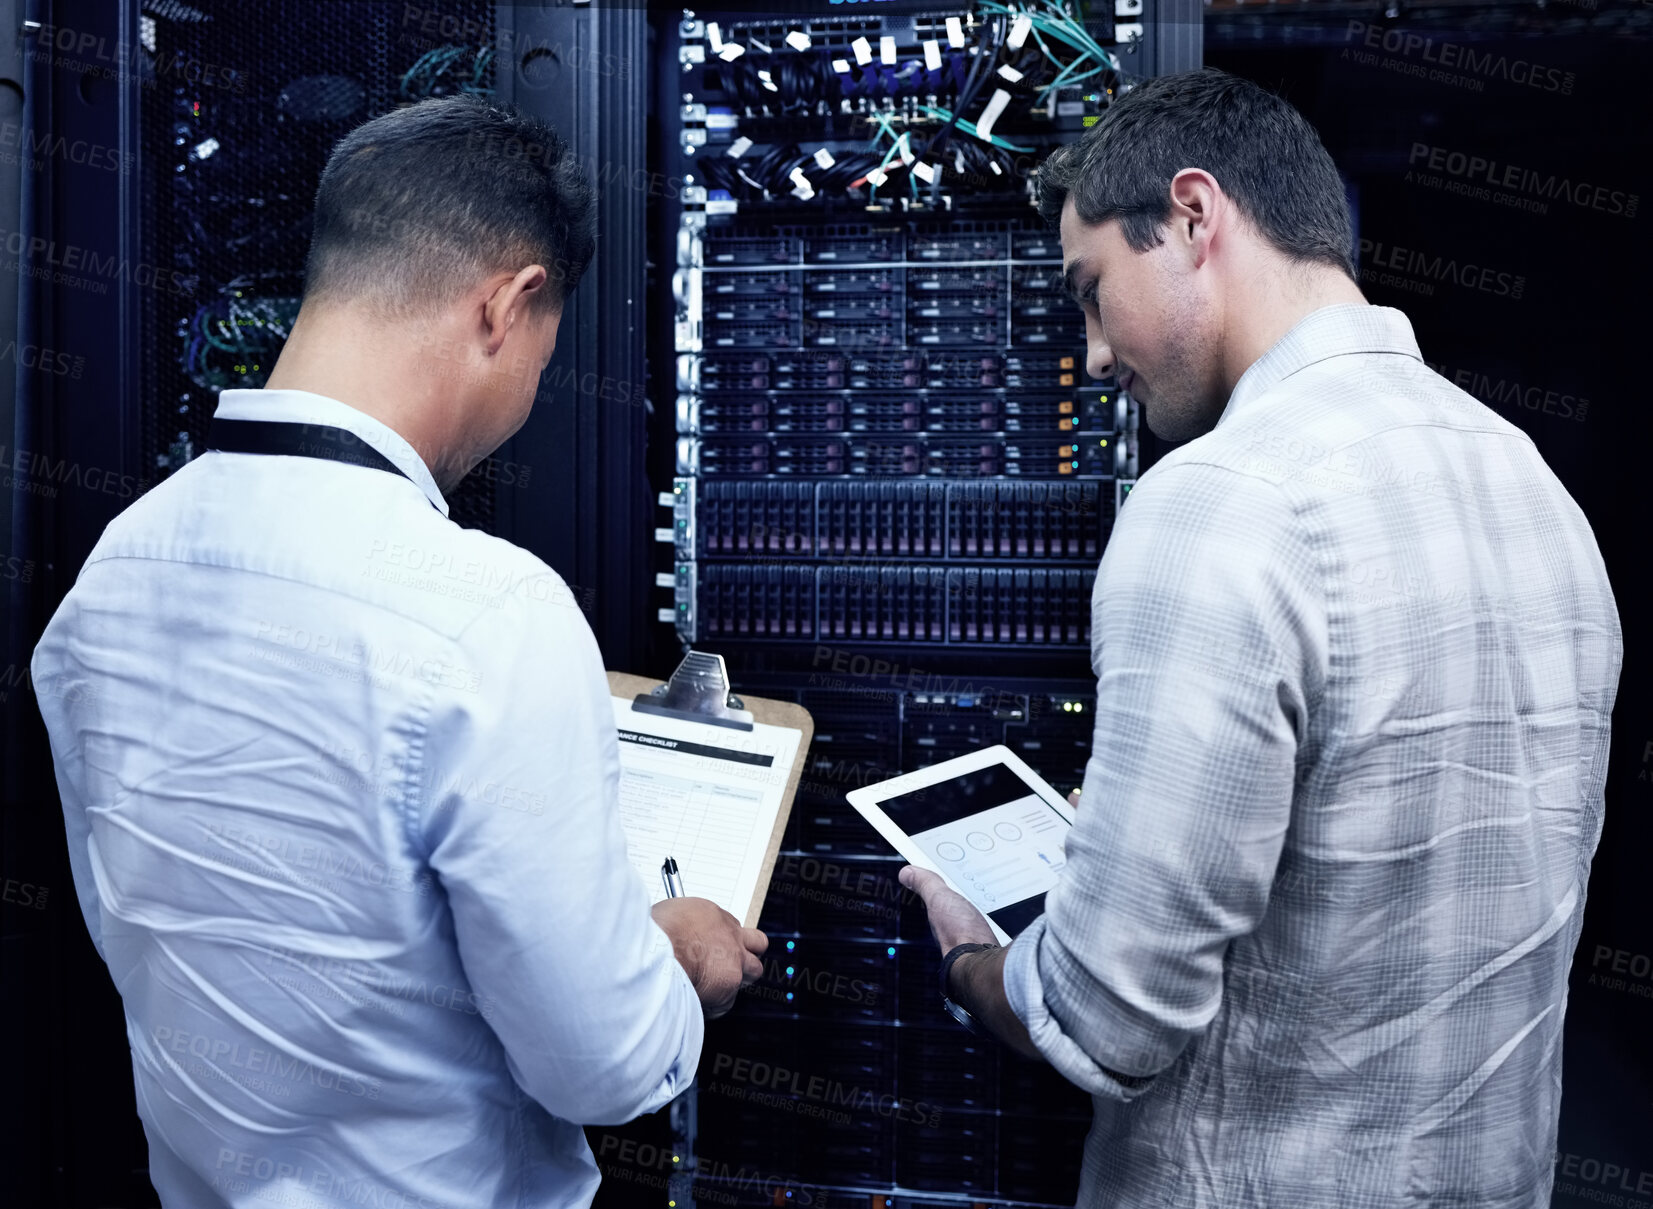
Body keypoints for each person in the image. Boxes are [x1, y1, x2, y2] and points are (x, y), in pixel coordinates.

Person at [901, 67, 1621, 1207]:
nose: (1092, 356)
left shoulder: (1220, 500)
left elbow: (1108, 1018)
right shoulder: (1535, 487)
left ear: (1193, 217)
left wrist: (971, 961)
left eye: (1092, 292)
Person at [30, 95, 764, 1207]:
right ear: (507, 307)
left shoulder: (110, 577)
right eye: (546, 352)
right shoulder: (488, 616)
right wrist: (675, 956)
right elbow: (605, 1065)